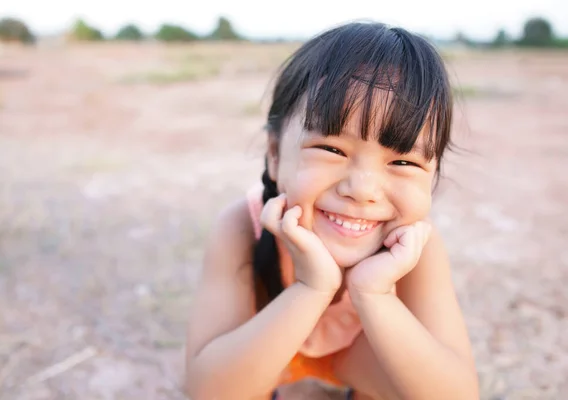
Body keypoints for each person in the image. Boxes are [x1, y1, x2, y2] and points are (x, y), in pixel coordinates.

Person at [184, 21, 479, 400]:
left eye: (403, 163)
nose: (362, 190)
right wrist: (312, 288)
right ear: (274, 155)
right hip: (263, 352)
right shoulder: (242, 226)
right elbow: (208, 391)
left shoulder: (419, 248)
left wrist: (375, 294)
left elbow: (458, 395)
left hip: (361, 357)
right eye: (332, 150)